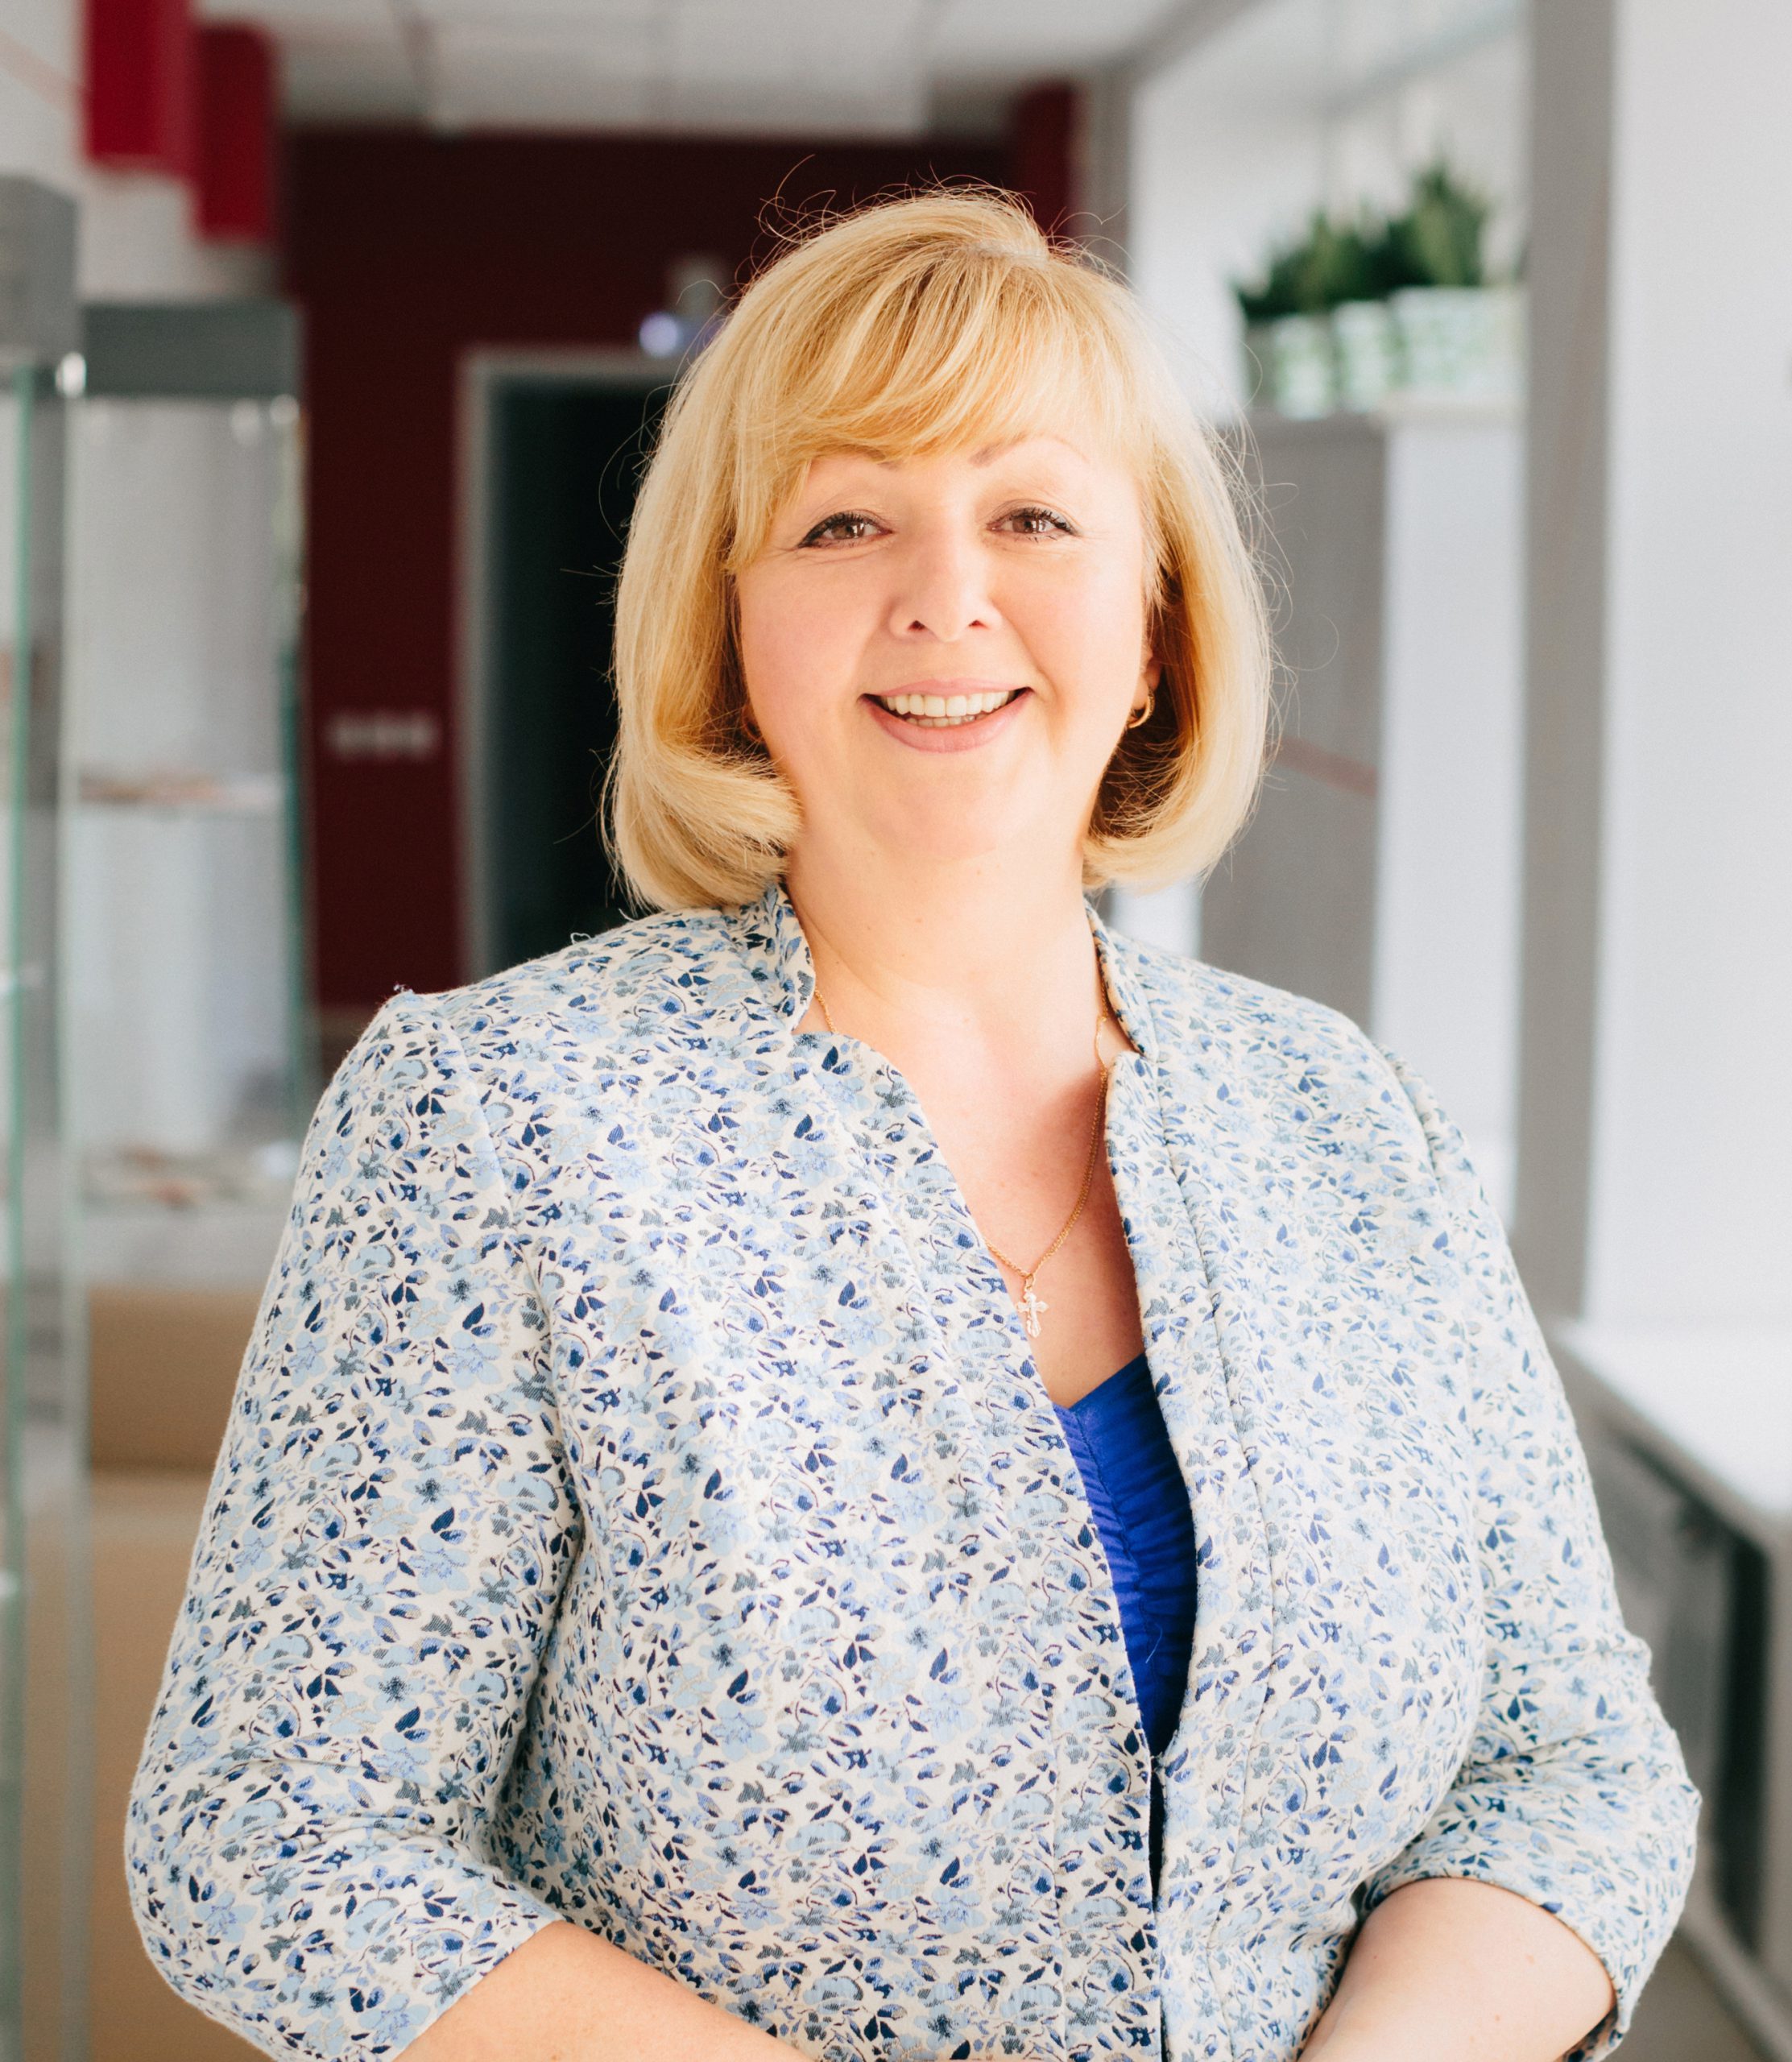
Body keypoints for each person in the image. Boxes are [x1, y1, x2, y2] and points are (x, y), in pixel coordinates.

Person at [127, 191, 1695, 2062]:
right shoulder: (497, 1123)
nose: (947, 595)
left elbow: (1569, 1759)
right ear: (731, 627)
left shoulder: (1346, 1117)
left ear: (1155, 626)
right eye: (845, 520)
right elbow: (271, 1838)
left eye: (1033, 517)